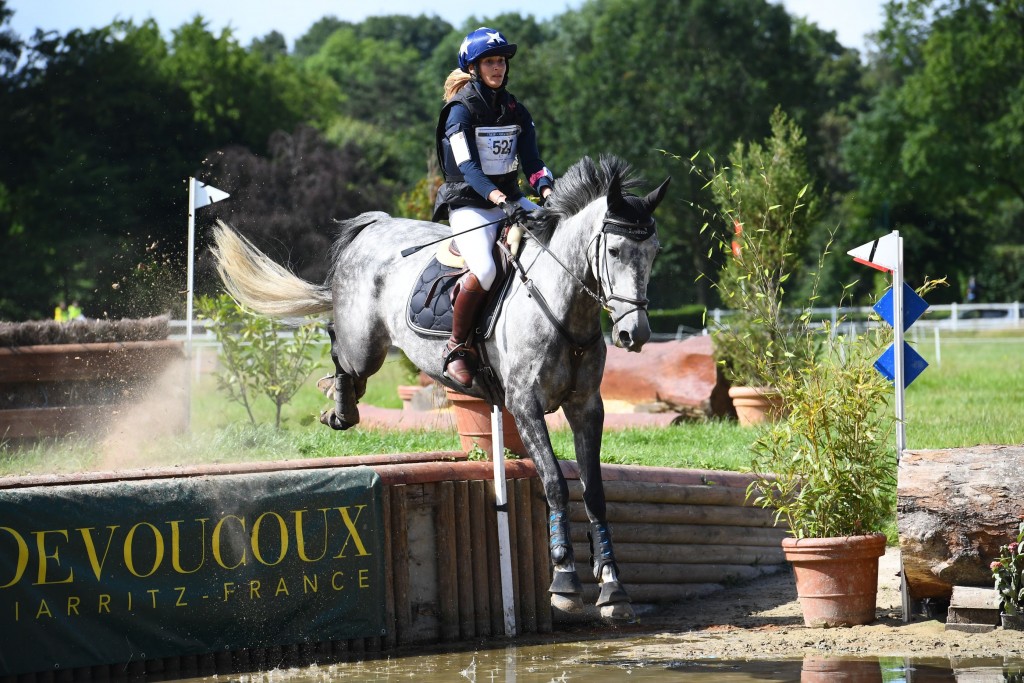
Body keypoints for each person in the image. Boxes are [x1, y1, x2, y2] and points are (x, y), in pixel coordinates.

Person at [433, 26, 555, 389]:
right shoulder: (459, 112)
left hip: (511, 201)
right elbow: (469, 169)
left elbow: (532, 162)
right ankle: (455, 347)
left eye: (501, 60)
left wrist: (547, 190)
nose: (498, 67)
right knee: (485, 269)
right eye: (490, 61)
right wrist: (499, 199)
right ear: (474, 67)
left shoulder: (515, 108)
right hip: (471, 205)